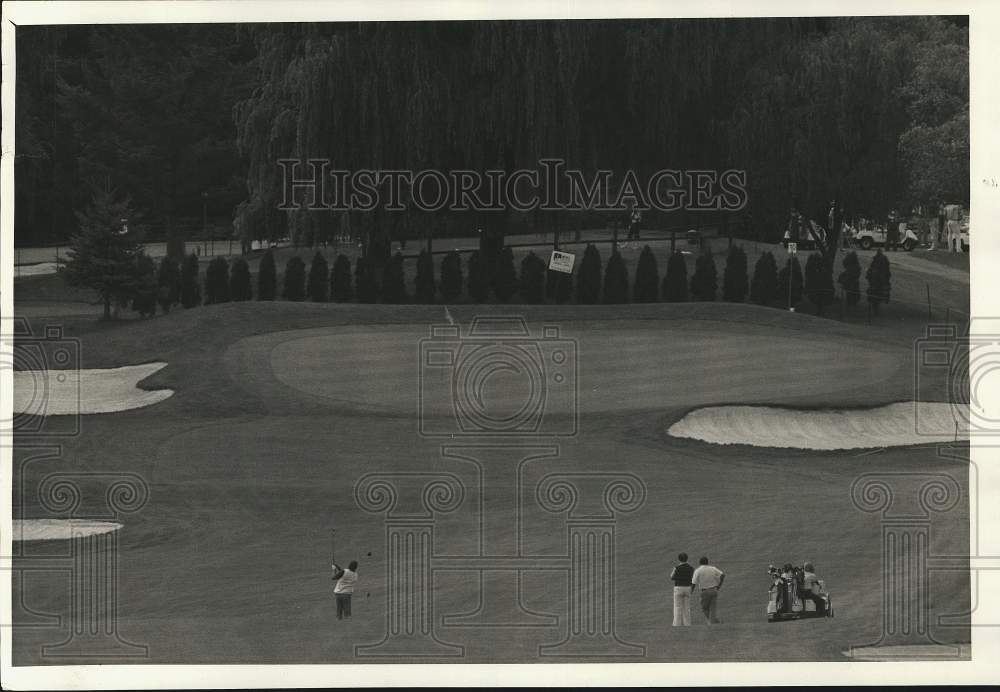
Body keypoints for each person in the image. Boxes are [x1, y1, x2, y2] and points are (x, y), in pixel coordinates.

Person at [691, 556, 725, 624]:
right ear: (707, 562)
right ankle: (715, 622)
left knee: (704, 608)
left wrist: (690, 592)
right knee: (713, 608)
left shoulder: (698, 570)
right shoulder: (713, 568)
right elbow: (722, 575)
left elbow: (693, 583)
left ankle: (713, 622)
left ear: (700, 563)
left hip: (705, 591)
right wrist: (719, 586)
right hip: (714, 590)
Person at [669, 553, 695, 626]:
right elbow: (693, 578)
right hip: (688, 587)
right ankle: (687, 624)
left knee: (677, 607)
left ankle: (677, 624)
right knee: (687, 607)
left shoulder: (676, 567)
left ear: (679, 559)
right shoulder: (691, 568)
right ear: (687, 558)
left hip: (678, 587)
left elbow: (671, 577)